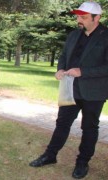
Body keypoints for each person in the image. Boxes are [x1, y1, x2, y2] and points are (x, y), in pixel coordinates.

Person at [29, 2, 108, 179]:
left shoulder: (106, 36)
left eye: (84, 17)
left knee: (89, 128)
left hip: (93, 92)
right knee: (62, 123)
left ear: (97, 18)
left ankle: (82, 163)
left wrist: (83, 72)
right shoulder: (73, 35)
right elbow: (64, 56)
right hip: (70, 89)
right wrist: (60, 69)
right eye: (78, 16)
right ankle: (50, 155)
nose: (78, 20)